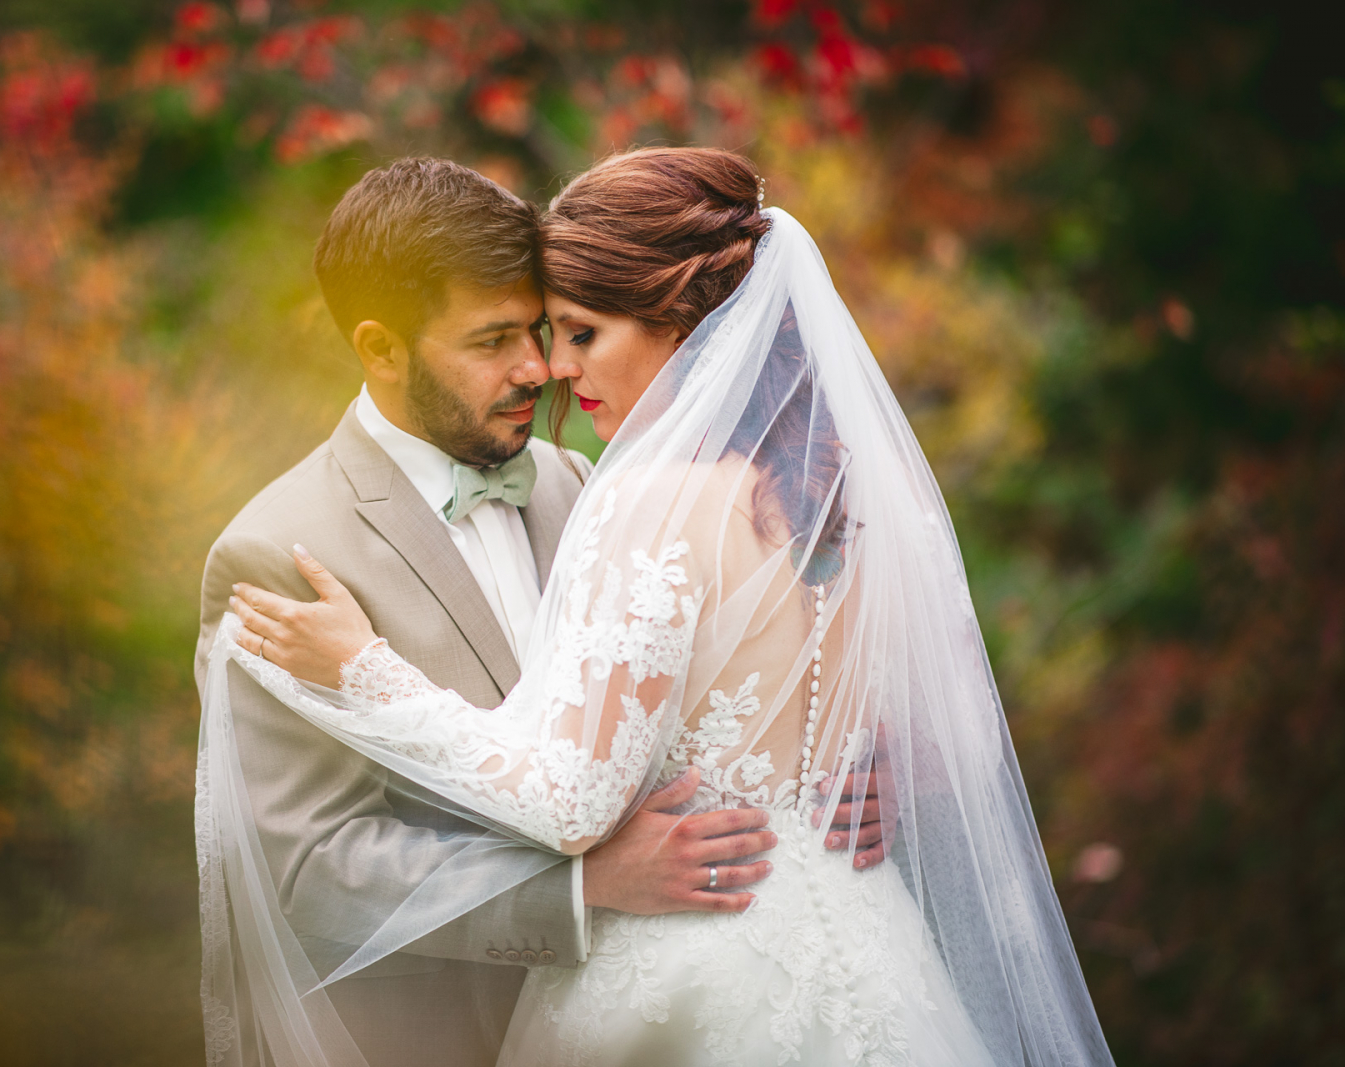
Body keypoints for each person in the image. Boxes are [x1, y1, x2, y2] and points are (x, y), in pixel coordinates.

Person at [192, 158, 888, 1067]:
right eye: (492, 341)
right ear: (380, 348)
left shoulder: (582, 481)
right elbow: (309, 870)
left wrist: (834, 779)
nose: (538, 369)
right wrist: (581, 887)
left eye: (543, 328)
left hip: (700, 992)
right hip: (441, 1036)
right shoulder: (276, 553)